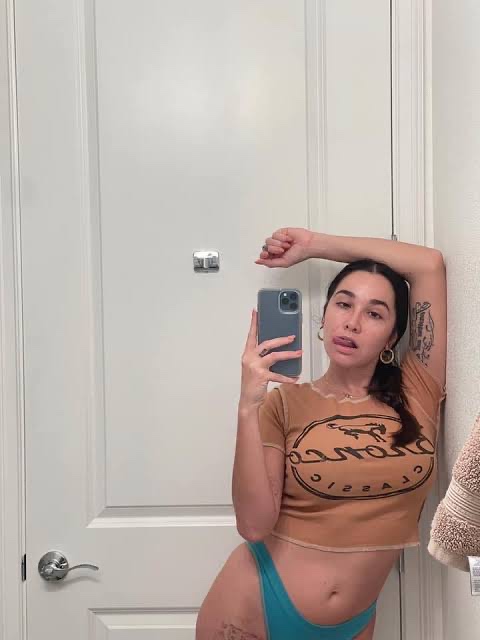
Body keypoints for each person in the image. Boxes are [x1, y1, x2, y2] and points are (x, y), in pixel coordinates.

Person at [196, 228, 447, 640]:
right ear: (325, 315)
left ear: (393, 335)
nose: (352, 322)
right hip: (255, 605)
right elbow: (254, 526)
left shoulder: (417, 390)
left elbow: (428, 264)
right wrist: (248, 405)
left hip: (354, 621)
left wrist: (313, 246)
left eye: (374, 313)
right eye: (343, 304)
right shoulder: (284, 404)